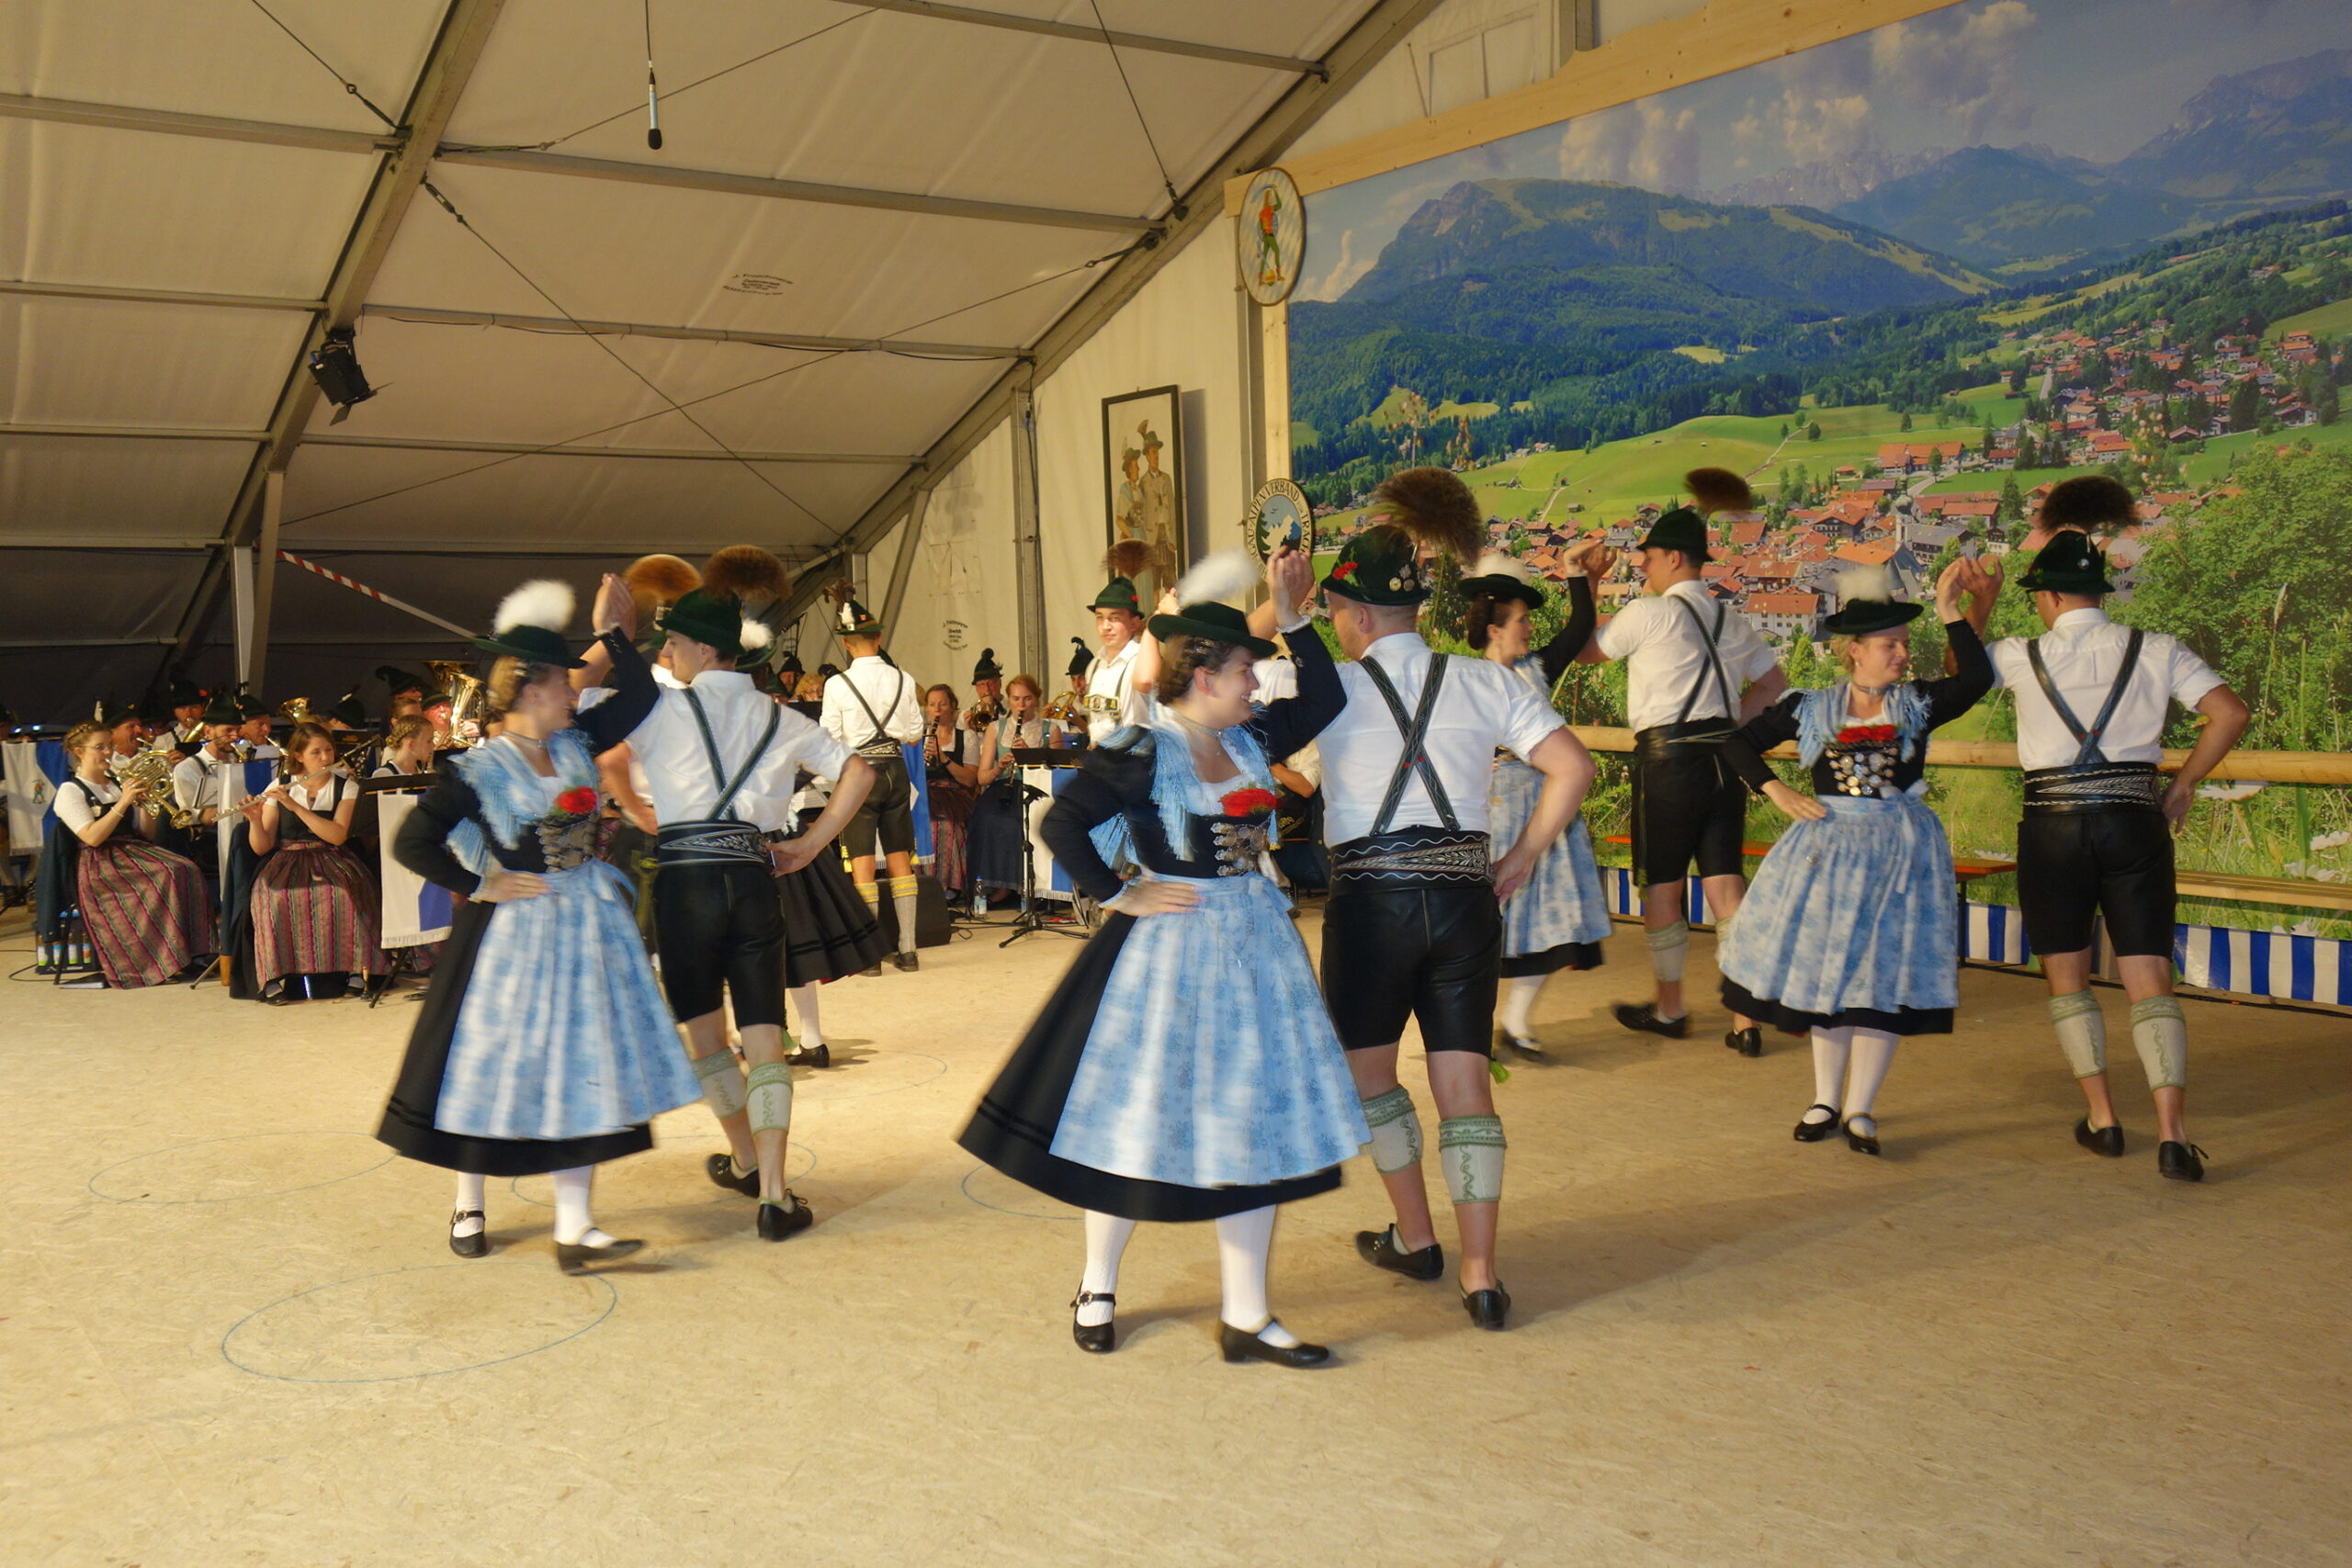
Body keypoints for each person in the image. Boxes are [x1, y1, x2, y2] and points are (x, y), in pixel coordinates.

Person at [960, 547, 1364, 1367]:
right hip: (1168, 956)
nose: (1257, 683)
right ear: (1205, 673)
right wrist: (1119, 893)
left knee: (1251, 1123)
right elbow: (1061, 822)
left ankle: (1247, 1314)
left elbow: (1326, 694)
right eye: (1247, 669)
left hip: (1255, 947)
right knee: (1134, 1116)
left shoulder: (1251, 734)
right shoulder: (1145, 747)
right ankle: (1098, 1281)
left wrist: (1293, 617)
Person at [1315, 468, 1596, 1332]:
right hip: (1468, 896)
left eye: (1337, 610)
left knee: (1373, 1078)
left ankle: (1416, 1236)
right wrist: (1522, 855)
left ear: (1361, 616)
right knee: (1466, 1084)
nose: (1336, 624)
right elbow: (1573, 767)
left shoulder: (1330, 689)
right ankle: (1481, 1274)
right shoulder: (1484, 681)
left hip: (1371, 901)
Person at [379, 576, 701, 1270]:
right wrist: (482, 883)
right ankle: (469, 1200)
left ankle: (575, 1226)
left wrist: (614, 632)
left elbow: (643, 696)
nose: (574, 691)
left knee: (583, 1065)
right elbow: (411, 842)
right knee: (491, 1065)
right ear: (529, 689)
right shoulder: (477, 770)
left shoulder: (579, 741)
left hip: (587, 926)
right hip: (512, 938)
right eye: (562, 681)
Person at [587, 587, 876, 1237]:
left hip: (683, 881)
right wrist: (809, 845)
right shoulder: (779, 716)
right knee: (766, 1038)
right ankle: (773, 1193)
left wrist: (609, 635)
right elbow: (859, 773)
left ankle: (744, 1157)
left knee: (707, 1037)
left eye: (673, 643)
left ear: (703, 649)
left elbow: (582, 716)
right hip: (752, 877)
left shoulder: (659, 706)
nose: (667, 653)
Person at [1991, 481, 2249, 1181]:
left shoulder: (2016, 654)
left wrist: (1974, 606)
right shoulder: (2156, 648)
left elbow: (1957, 676)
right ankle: (2172, 1134)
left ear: (2048, 596)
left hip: (2052, 827)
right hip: (2136, 820)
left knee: (2067, 977)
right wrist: (2183, 783)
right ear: (2100, 592)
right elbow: (2230, 713)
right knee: (2150, 977)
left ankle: (2104, 1120)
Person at [1714, 558, 1998, 1155]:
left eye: (1904, 643)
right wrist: (1776, 790)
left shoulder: (1918, 703)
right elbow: (1737, 743)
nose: (1902, 654)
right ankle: (1825, 1099)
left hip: (1899, 858)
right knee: (1830, 972)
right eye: (1890, 644)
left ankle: (1862, 1107)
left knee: (1879, 977)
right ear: (1854, 651)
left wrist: (1951, 611)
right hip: (1828, 856)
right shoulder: (1811, 705)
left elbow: (1976, 678)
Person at [1574, 469, 1788, 1056]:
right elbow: (1773, 686)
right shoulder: (1732, 619)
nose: (1643, 567)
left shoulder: (1648, 613)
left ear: (1673, 558)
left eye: (1648, 558)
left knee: (1662, 890)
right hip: (1725, 761)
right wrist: (1731, 727)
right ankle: (1746, 1018)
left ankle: (1671, 1009)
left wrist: (1588, 586)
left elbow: (1587, 652)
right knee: (1725, 887)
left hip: (1667, 765)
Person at [1456, 548, 1612, 1057]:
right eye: (1521, 620)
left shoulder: (1537, 669)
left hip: (1541, 811)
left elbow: (1580, 626)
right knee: (1479, 923)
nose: (1529, 628)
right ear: (1495, 629)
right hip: (1485, 812)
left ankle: (1516, 1020)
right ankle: (1469, 1022)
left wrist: (1575, 572)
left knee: (1550, 920)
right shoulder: (1463, 679)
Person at [39, 721, 211, 989]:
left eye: (109, 746)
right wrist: (123, 802)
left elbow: (146, 833)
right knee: (164, 875)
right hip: (99, 863)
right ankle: (161, 960)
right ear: (79, 751)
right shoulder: (70, 791)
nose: (108, 752)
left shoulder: (116, 783)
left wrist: (144, 804)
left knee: (186, 868)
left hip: (132, 851)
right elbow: (92, 837)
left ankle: (194, 955)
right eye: (99, 747)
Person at [820, 585, 924, 972]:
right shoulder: (904, 678)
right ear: (879, 638)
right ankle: (908, 950)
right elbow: (913, 733)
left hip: (859, 773)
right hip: (896, 769)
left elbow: (829, 736)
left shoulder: (837, 684)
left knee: (862, 861)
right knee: (900, 857)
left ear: (846, 645)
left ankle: (871, 955)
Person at [244, 721, 385, 1003]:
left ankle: (356, 970)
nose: (325, 758)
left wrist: (295, 807)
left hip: (332, 856)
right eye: (316, 752)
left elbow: (337, 835)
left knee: (342, 893)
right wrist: (254, 820)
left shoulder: (346, 787)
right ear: (298, 756)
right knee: (272, 896)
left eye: (328, 750)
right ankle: (273, 977)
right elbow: (262, 847)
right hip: (287, 859)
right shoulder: (279, 786)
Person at [970, 672, 1053, 909]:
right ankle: (994, 886)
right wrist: (999, 767)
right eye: (1016, 699)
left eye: (1027, 699)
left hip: (1036, 789)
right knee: (987, 818)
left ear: (1036, 699)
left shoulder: (1049, 729)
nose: (1021, 705)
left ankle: (1026, 887)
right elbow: (982, 777)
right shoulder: (995, 728)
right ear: (1009, 700)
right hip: (1002, 787)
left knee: (1019, 822)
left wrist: (1028, 757)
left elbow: (1054, 773)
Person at [1080, 545, 1159, 744]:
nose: (1105, 626)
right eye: (1100, 617)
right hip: (1101, 755)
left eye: (1114, 618)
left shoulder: (1141, 661)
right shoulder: (1094, 665)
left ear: (1134, 623)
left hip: (1135, 756)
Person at [921, 682, 978, 904]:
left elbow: (970, 780)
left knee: (945, 825)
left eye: (942, 704)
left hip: (953, 794)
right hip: (925, 793)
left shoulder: (966, 737)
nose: (937, 709)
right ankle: (921, 885)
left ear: (953, 706)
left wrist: (943, 758)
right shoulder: (919, 737)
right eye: (932, 704)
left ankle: (947, 886)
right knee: (918, 824)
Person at [964, 649, 1005, 732]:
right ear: (976, 688)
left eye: (991, 683)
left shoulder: (1012, 711)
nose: (987, 689)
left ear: (1000, 683)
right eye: (981, 685)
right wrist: (969, 730)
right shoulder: (967, 715)